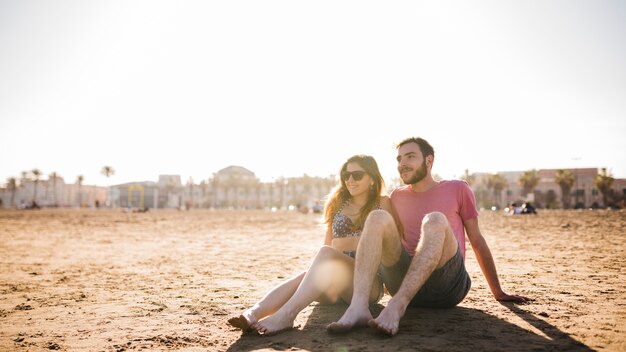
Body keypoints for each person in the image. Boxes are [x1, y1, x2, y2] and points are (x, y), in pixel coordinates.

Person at [327, 137, 529, 336]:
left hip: (446, 286)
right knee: (377, 217)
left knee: (435, 220)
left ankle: (396, 307)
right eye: (399, 159)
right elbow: (386, 242)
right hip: (402, 282)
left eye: (410, 157)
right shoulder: (396, 196)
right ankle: (359, 307)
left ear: (429, 160)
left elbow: (476, 239)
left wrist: (498, 291)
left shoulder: (458, 188)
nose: (403, 164)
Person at [227, 155, 393, 335]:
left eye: (357, 175)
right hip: (336, 283)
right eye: (346, 175)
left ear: (372, 178)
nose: (350, 180)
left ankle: (287, 314)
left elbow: (391, 244)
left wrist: (349, 243)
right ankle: (253, 313)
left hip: (368, 286)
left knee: (325, 255)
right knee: (308, 273)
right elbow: (328, 246)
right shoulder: (337, 204)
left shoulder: (382, 203)